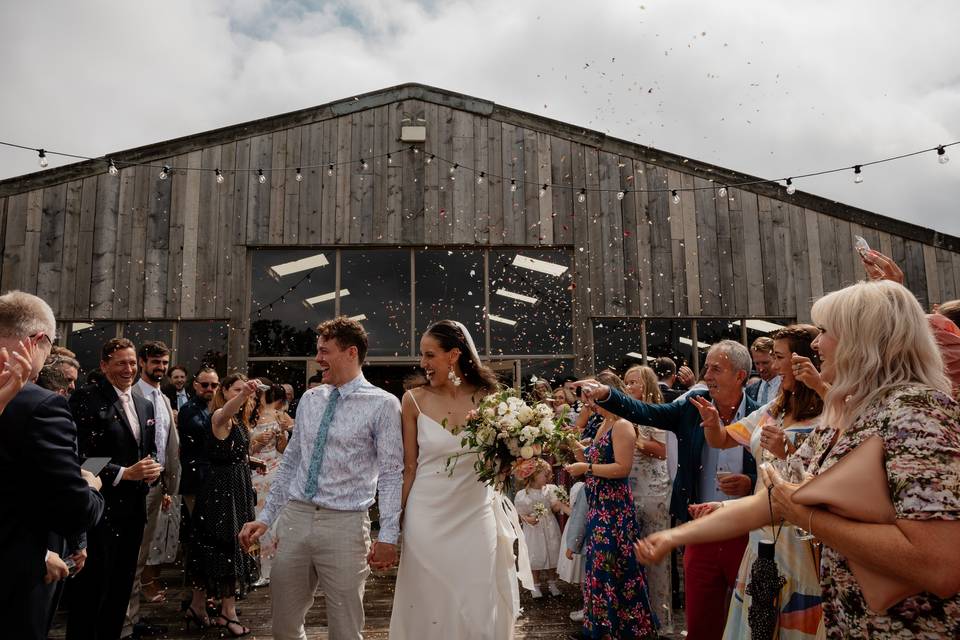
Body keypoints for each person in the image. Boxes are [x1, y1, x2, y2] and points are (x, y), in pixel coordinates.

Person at [766, 280, 960, 638]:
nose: (815, 343)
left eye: (825, 331)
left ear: (863, 339)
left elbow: (940, 565)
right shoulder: (857, 411)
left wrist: (804, 515)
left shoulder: (915, 412)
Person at [641, 325, 827, 639]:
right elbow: (723, 439)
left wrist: (790, 449)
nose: (771, 366)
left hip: (802, 544)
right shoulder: (773, 410)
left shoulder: (831, 411)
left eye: (778, 358)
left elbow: (830, 475)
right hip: (759, 537)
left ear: (803, 361)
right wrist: (712, 424)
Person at [578, 340, 760, 640]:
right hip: (700, 530)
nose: (707, 375)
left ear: (739, 376)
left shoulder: (760, 413)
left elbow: (778, 465)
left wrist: (750, 482)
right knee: (701, 622)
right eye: (707, 368)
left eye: (716, 368)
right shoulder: (692, 406)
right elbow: (648, 413)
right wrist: (608, 395)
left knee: (749, 621)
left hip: (748, 533)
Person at [239, 317, 403, 640]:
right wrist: (266, 517)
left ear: (351, 353)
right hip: (296, 518)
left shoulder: (384, 405)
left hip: (346, 524)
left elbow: (392, 474)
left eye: (324, 351)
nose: (318, 359)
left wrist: (389, 534)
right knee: (283, 624)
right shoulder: (311, 400)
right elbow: (291, 464)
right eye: (318, 351)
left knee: (345, 627)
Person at [389, 319, 528, 639]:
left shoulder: (491, 398)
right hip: (426, 516)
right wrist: (393, 520)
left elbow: (503, 461)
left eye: (429, 355)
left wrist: (517, 461)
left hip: (475, 514)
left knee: (475, 595)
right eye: (422, 356)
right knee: (428, 597)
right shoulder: (412, 400)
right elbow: (409, 468)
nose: (422, 363)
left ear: (453, 355)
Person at [0, 292, 104, 640]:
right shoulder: (40, 405)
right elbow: (72, 510)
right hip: (16, 584)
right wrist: (90, 486)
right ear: (39, 340)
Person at [67, 338, 161, 640]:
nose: (129, 369)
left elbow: (150, 451)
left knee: (120, 591)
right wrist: (123, 473)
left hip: (134, 513)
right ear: (104, 365)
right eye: (121, 362)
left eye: (132, 362)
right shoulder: (86, 400)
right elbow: (81, 461)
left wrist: (152, 470)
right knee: (92, 592)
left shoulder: (144, 403)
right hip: (100, 513)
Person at [565, 370, 657, 639]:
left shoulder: (622, 425)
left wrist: (587, 467)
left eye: (592, 399)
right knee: (598, 567)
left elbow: (622, 468)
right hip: (599, 507)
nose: (589, 405)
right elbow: (594, 457)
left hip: (614, 511)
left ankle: (624, 630)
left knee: (613, 568)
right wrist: (574, 448)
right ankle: (602, 628)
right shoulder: (603, 424)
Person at [188, 373, 260, 637]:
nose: (245, 394)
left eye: (246, 391)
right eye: (238, 390)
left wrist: (251, 463)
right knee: (226, 545)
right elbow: (223, 415)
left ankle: (197, 607)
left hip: (234, 486)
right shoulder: (221, 415)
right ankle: (227, 614)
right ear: (226, 392)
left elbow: (231, 453)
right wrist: (243, 395)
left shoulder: (239, 421)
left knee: (216, 545)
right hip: (222, 491)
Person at [123, 341, 181, 638]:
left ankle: (132, 618)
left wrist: (169, 487)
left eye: (164, 362)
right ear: (142, 363)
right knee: (130, 557)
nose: (161, 367)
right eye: (155, 362)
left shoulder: (162, 397)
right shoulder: (129, 396)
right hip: (132, 487)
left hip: (158, 488)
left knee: (142, 556)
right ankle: (124, 624)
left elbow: (168, 446)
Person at [623, 364, 673, 632]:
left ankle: (660, 621)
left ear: (648, 385)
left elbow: (665, 451)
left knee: (655, 557)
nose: (629, 388)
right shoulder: (625, 413)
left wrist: (635, 441)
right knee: (632, 556)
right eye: (626, 383)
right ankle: (635, 618)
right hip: (630, 490)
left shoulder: (656, 414)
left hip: (654, 493)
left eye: (634, 383)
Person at [177, 366, 219, 628]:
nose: (209, 390)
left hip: (210, 482)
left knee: (209, 540)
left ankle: (205, 596)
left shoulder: (211, 409)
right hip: (197, 484)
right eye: (205, 385)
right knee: (200, 541)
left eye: (213, 386)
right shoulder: (190, 411)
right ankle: (195, 600)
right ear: (195, 385)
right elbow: (206, 443)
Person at [249, 380, 292, 585]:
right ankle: (261, 569)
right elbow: (246, 449)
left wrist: (282, 435)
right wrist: (258, 441)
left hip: (276, 469)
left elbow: (285, 449)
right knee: (257, 517)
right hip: (255, 471)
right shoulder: (249, 416)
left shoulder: (280, 415)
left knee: (278, 519)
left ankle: (279, 568)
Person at [515, 458, 564, 598]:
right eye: (545, 474)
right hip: (533, 529)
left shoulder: (550, 489)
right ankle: (535, 585)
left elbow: (554, 507)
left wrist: (560, 502)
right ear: (533, 475)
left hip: (549, 526)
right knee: (535, 555)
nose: (548, 477)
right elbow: (520, 515)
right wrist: (528, 519)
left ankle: (552, 583)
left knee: (552, 552)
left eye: (549, 474)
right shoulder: (523, 494)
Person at [746, 337, 782, 405]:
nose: (761, 368)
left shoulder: (788, 387)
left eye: (765, 363)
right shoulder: (750, 390)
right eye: (757, 363)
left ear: (775, 358)